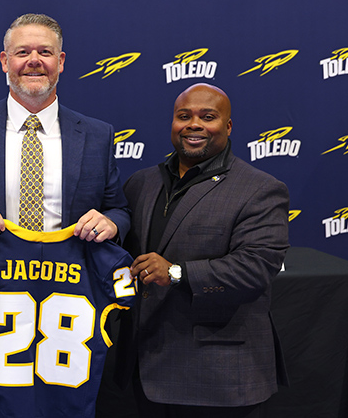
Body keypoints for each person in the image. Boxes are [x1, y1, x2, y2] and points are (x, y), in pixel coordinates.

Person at [0, 13, 130, 417]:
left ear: (62, 61)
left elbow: (118, 208)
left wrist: (111, 223)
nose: (34, 60)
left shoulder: (98, 134)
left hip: (67, 305)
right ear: (4, 61)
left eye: (45, 52)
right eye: (22, 52)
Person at [115, 83, 290, 417]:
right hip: (142, 370)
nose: (194, 124)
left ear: (227, 126)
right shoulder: (141, 183)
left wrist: (177, 273)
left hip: (216, 379)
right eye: (184, 116)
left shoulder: (260, 189)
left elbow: (256, 267)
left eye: (207, 117)